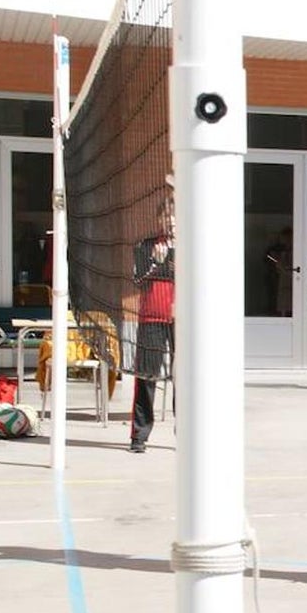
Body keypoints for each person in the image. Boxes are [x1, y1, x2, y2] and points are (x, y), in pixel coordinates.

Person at [129, 192, 175, 454]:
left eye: (175, 217)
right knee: (146, 376)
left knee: (185, 377)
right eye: (167, 216)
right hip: (152, 317)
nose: (171, 222)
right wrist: (157, 262)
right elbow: (137, 280)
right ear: (159, 219)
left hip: (183, 319)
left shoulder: (192, 245)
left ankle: (188, 432)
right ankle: (139, 434)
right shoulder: (145, 246)